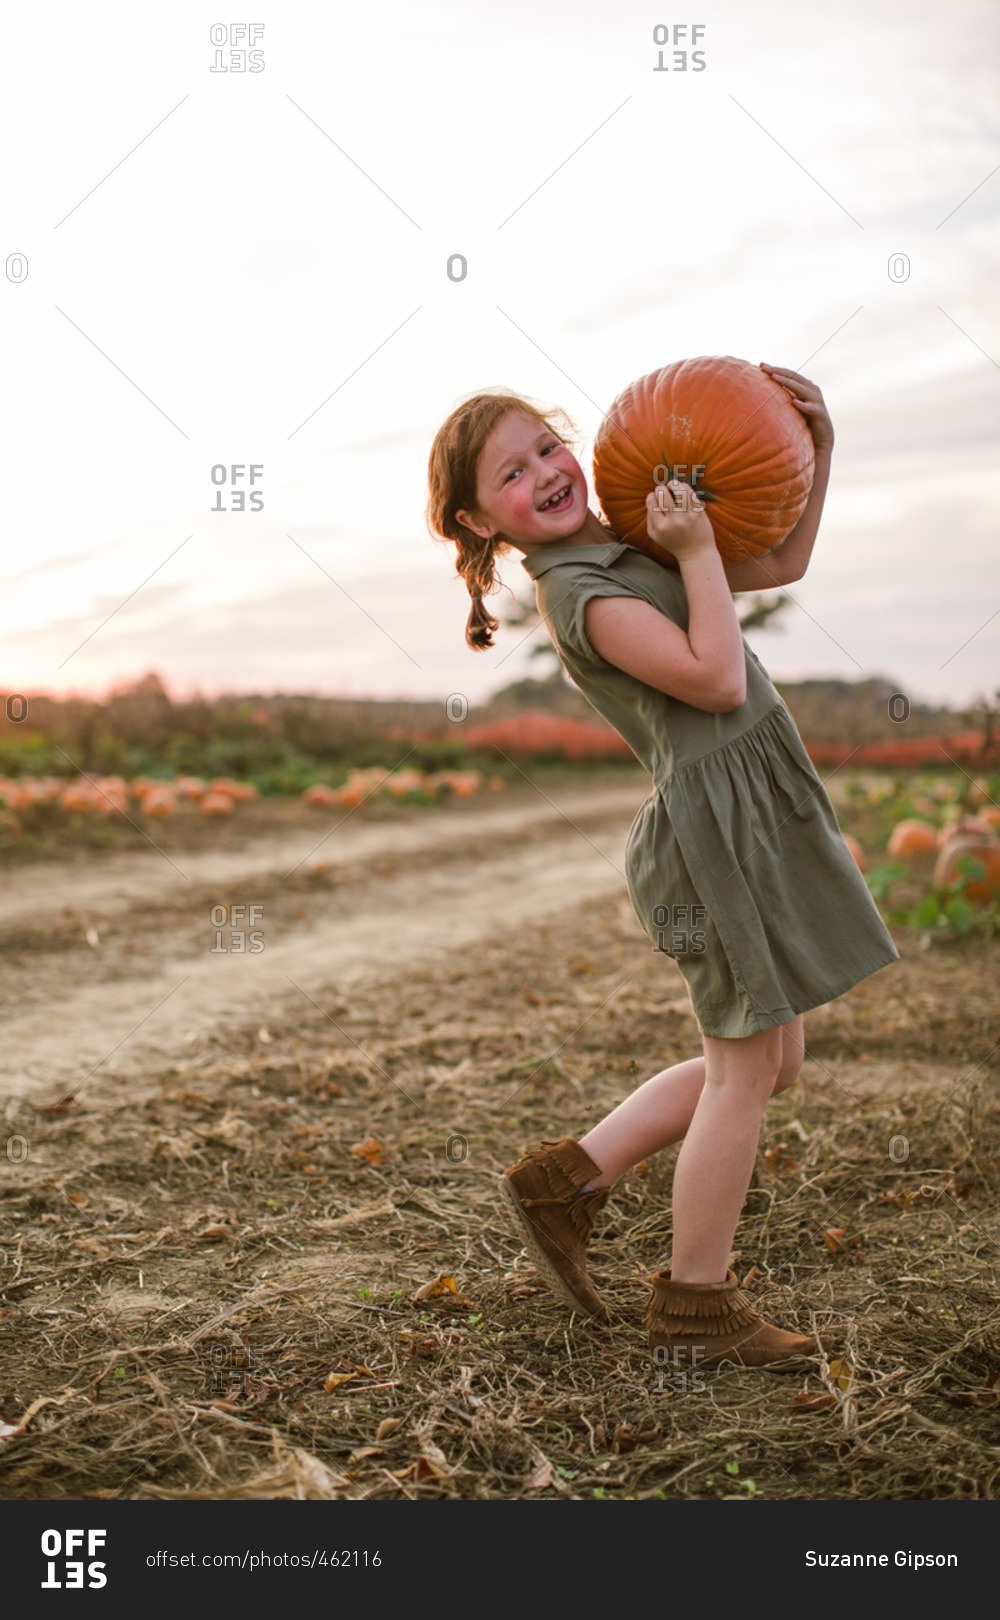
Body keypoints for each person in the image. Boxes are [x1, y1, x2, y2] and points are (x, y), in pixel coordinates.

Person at [425, 366, 899, 1371]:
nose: (547, 472)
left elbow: (774, 559)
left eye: (547, 446)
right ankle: (696, 1302)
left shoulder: (622, 541)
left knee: (775, 1065)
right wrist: (687, 552)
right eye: (514, 474)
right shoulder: (579, 593)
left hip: (752, 815)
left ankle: (570, 1181)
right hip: (711, 840)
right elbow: (715, 677)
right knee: (742, 1070)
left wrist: (819, 446)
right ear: (482, 521)